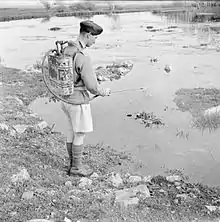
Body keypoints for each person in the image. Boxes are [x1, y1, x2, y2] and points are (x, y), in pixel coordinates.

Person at [61, 20, 111, 177]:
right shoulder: (82, 57)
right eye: (95, 37)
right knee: (80, 134)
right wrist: (103, 91)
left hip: (65, 99)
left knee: (71, 131)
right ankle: (76, 168)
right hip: (77, 101)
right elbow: (92, 87)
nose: (95, 41)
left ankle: (72, 164)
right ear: (88, 35)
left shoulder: (67, 49)